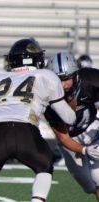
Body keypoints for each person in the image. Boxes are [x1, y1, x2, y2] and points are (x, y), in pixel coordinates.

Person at [0, 38, 76, 202]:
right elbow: (69, 118)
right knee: (45, 167)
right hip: (25, 131)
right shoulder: (46, 76)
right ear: (35, 58)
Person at [46, 52, 99, 200]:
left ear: (76, 74)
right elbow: (63, 137)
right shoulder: (48, 98)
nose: (63, 84)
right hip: (71, 140)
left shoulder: (90, 79)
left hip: (92, 129)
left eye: (66, 78)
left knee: (98, 176)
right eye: (58, 79)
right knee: (89, 186)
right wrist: (84, 150)